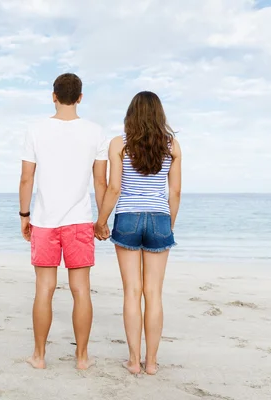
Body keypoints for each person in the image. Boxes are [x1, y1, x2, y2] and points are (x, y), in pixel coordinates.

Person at [19, 73, 109, 370]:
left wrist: (24, 215)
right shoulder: (96, 132)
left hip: (45, 221)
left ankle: (39, 356)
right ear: (80, 97)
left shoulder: (36, 130)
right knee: (81, 289)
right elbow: (100, 181)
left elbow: (27, 178)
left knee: (44, 288)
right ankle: (82, 358)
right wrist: (101, 219)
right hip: (79, 220)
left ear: (53, 95)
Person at [94, 91, 182, 375]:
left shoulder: (120, 144)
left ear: (131, 114)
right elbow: (176, 192)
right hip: (159, 216)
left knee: (132, 291)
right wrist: (169, 224)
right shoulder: (172, 146)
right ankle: (152, 363)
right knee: (153, 293)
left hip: (128, 217)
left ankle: (133, 361)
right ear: (159, 115)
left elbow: (115, 188)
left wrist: (101, 221)